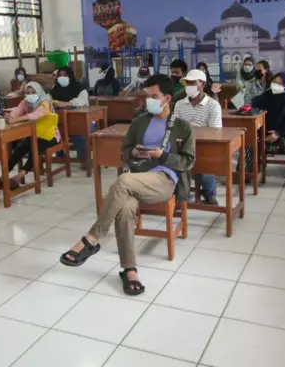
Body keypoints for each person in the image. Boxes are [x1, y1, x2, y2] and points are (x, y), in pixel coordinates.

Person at [59, 74, 195, 295]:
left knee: (122, 181)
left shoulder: (182, 126)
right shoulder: (140, 121)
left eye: (154, 96)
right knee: (124, 208)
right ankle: (129, 269)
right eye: (147, 96)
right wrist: (132, 153)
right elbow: (125, 153)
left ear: (167, 98)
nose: (149, 100)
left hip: (163, 179)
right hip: (137, 177)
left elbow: (188, 162)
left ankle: (92, 238)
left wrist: (162, 156)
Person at [174, 69, 222, 204]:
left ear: (203, 84)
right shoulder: (179, 105)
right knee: (176, 163)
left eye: (193, 83)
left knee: (206, 171)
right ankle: (182, 196)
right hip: (184, 147)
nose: (189, 86)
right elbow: (176, 128)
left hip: (205, 147)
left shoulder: (213, 106)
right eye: (187, 83)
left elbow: (215, 133)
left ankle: (209, 194)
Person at [252, 73, 285, 192]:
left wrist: (278, 133)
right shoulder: (267, 95)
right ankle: (248, 173)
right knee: (249, 142)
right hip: (265, 130)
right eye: (274, 81)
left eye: (279, 83)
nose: (276, 84)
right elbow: (254, 103)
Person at [3, 82, 60, 190]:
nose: (30, 95)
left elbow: (35, 115)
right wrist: (10, 116)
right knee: (20, 149)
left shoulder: (45, 102)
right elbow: (17, 111)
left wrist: (16, 119)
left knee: (34, 149)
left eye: (33, 92)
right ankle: (3, 176)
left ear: (39, 91)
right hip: (34, 135)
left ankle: (19, 176)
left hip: (50, 136)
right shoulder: (26, 102)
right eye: (28, 92)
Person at [50, 66, 90, 166]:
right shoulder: (55, 89)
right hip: (62, 122)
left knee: (80, 133)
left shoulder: (79, 88)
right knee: (55, 133)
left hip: (82, 120)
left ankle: (83, 160)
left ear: (70, 76)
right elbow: (47, 100)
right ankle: (60, 158)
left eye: (65, 75)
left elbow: (82, 101)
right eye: (60, 75)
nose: (62, 77)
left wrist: (64, 103)